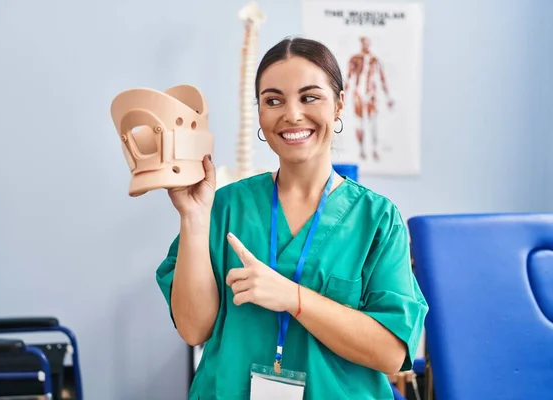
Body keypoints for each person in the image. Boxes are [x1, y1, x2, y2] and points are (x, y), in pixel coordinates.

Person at [156, 36, 428, 400]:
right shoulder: (224, 205)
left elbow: (392, 354)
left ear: (339, 105)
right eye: (273, 100)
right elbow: (193, 330)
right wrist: (192, 215)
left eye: (310, 96)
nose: (292, 114)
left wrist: (294, 297)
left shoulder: (377, 219)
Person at [344, 36, 395, 162]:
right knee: (359, 122)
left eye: (367, 42)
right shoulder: (355, 59)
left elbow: (382, 78)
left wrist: (388, 97)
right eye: (363, 42)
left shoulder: (375, 60)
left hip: (371, 94)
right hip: (358, 94)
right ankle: (361, 150)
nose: (365, 45)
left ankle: (374, 149)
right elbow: (348, 78)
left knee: (373, 123)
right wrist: (341, 97)